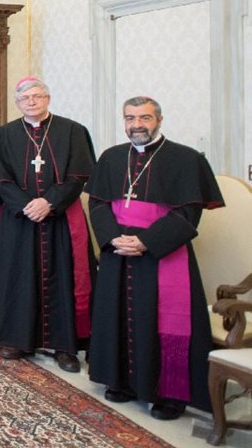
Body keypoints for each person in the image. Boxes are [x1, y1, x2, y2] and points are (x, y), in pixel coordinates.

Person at [87, 97, 224, 420]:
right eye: (130, 117)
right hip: (118, 250)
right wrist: (111, 237)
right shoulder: (111, 157)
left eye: (145, 117)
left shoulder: (185, 159)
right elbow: (97, 202)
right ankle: (120, 380)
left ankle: (169, 394)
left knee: (163, 319)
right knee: (116, 313)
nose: (137, 124)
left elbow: (189, 212)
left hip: (163, 253)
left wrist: (146, 241)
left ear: (159, 119)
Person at [0, 77, 96, 372]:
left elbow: (78, 176)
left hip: (60, 218)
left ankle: (65, 346)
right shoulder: (6, 134)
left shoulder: (73, 131)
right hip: (19, 218)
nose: (31, 102)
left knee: (64, 278)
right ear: (17, 103)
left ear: (47, 98)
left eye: (37, 96)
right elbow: (0, 177)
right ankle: (17, 339)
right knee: (19, 277)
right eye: (25, 98)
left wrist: (49, 202)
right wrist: (26, 205)